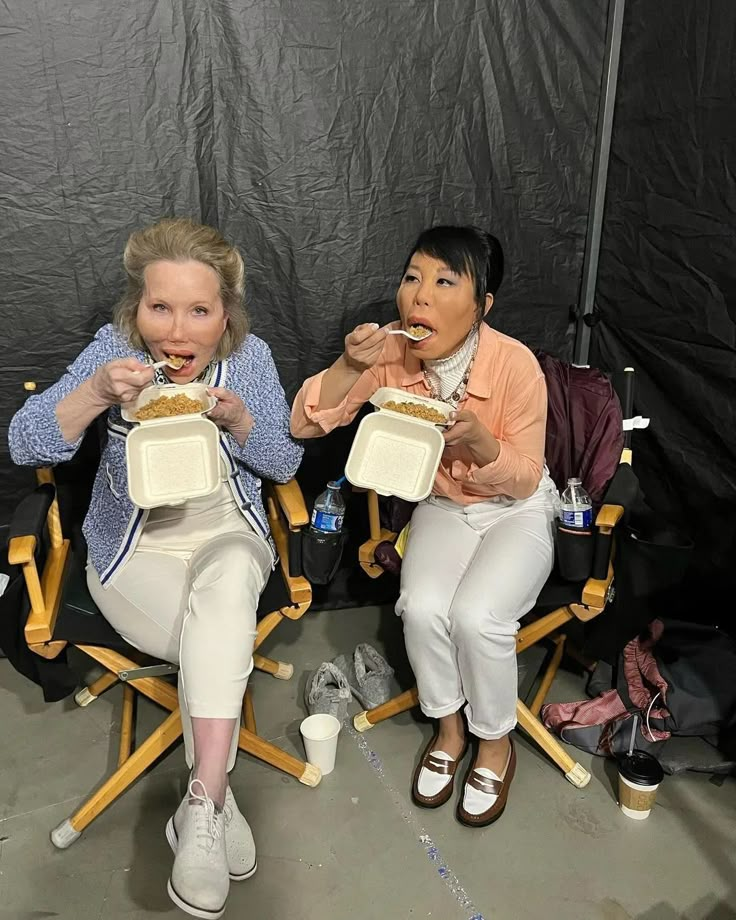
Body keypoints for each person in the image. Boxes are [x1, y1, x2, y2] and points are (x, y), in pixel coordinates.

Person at [9, 217, 303, 917]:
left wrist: (240, 424)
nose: (178, 331)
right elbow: (24, 441)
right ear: (135, 308)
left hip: (230, 533)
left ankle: (202, 804)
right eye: (160, 307)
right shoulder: (114, 354)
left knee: (231, 579)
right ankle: (214, 800)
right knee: (223, 636)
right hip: (134, 552)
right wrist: (95, 396)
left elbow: (286, 463)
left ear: (225, 313)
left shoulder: (250, 359)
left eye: (199, 310)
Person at [291, 225, 557, 828]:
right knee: (421, 604)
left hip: (518, 508)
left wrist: (483, 444)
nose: (420, 297)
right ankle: (449, 729)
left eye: (444, 281)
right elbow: (306, 426)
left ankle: (494, 740)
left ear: (482, 305)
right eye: (413, 278)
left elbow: (522, 476)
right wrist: (347, 362)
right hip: (443, 507)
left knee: (477, 616)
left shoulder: (516, 366)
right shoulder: (388, 352)